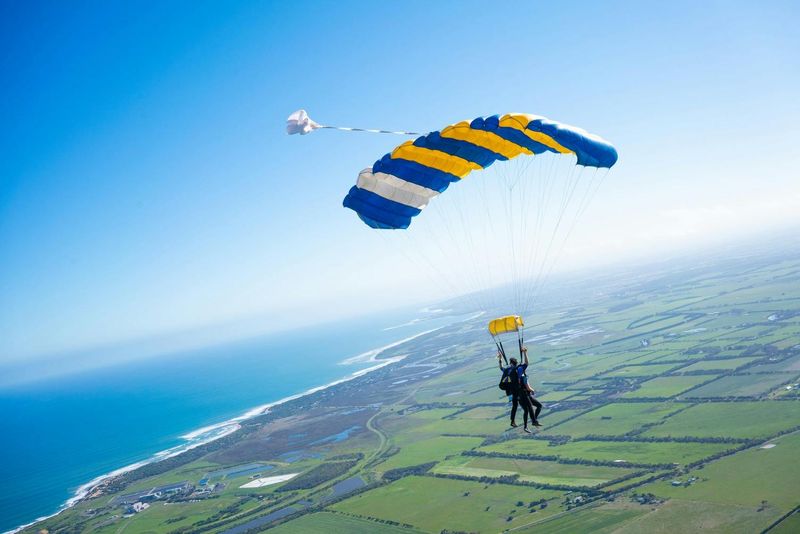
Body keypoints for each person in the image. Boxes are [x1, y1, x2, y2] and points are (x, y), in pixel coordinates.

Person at [498, 347, 535, 431]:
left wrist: (500, 358)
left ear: (510, 363)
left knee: (514, 406)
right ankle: (530, 421)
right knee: (527, 406)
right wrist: (525, 352)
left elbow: (501, 367)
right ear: (516, 363)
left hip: (510, 391)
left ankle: (512, 421)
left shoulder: (507, 370)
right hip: (518, 391)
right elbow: (526, 363)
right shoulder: (518, 369)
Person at [521, 353, 543, 428]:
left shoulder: (517, 376)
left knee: (528, 409)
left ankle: (534, 420)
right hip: (526, 395)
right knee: (538, 406)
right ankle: (534, 421)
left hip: (521, 396)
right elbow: (528, 387)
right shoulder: (524, 377)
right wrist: (532, 390)